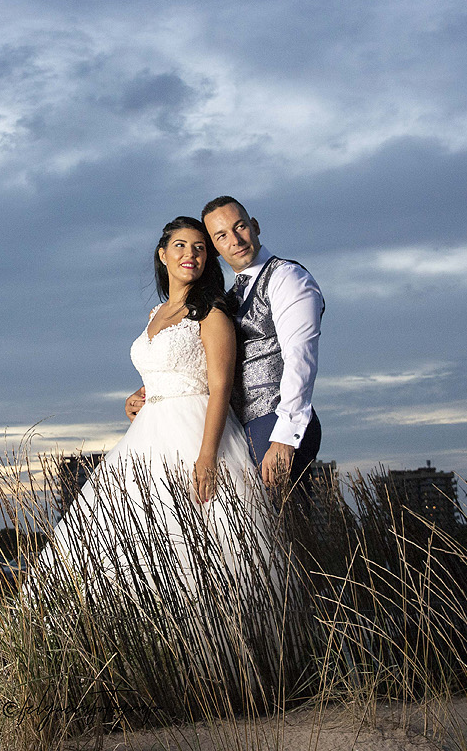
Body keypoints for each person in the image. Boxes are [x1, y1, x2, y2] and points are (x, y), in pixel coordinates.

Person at [27, 216, 277, 603]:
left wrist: (207, 456)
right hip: (148, 434)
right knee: (122, 532)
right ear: (162, 255)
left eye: (199, 247)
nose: (190, 254)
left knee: (201, 536)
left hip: (196, 431)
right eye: (181, 245)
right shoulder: (155, 314)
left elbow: (220, 387)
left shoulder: (211, 314)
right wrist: (137, 398)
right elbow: (163, 371)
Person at [127, 196, 324, 500]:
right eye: (221, 236)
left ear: (254, 226)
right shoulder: (231, 295)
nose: (235, 240)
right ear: (217, 249)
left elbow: (300, 358)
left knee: (283, 522)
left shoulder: (286, 277)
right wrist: (150, 395)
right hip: (240, 425)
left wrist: (285, 437)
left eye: (240, 227)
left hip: (274, 421)